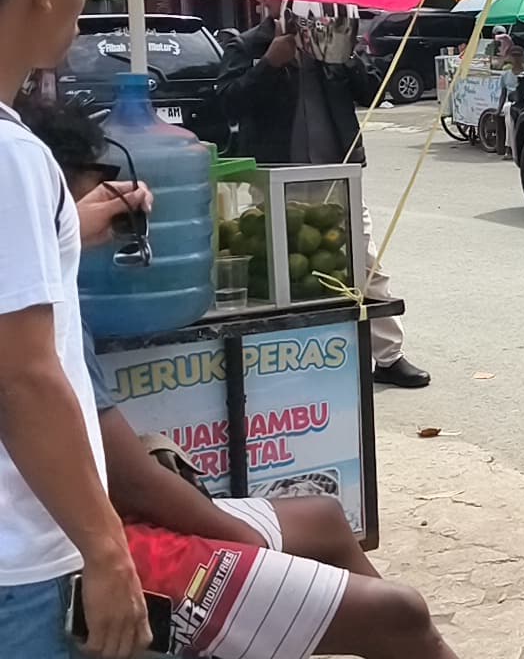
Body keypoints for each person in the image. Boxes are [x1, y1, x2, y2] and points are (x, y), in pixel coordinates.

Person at [17, 95, 458, 659]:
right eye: (84, 188)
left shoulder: (46, 264)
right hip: (96, 539)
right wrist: (242, 541)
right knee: (399, 612)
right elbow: (126, 476)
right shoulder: (40, 307)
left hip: (101, 516)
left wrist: (73, 231)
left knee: (324, 519)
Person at [0, 0, 152, 659]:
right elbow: (22, 377)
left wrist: (66, 234)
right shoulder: (12, 155)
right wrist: (103, 547)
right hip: (19, 559)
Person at [216, 1, 429, 389]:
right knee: (286, 274)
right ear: (262, 0)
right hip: (277, 179)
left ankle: (388, 355)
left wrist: (343, 57)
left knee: (365, 265)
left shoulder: (333, 37)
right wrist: (269, 64)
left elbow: (374, 92)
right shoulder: (246, 44)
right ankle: (292, 358)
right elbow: (228, 102)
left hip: (339, 176)